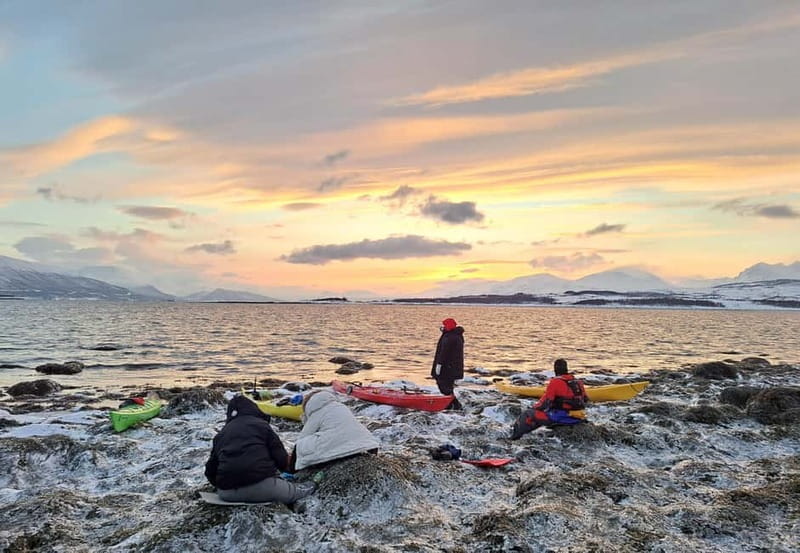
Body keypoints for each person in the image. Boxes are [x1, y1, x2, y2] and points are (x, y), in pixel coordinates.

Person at [205, 395, 315, 503]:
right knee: (299, 490)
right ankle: (310, 487)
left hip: (227, 494)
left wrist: (221, 485)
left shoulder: (221, 434)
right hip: (263, 488)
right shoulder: (261, 426)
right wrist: (288, 471)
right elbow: (280, 458)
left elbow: (210, 470)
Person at [292, 390, 379, 471]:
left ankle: (290, 473)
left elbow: (303, 438)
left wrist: (294, 465)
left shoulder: (317, 412)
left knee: (300, 445)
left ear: (308, 405)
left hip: (338, 445)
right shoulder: (341, 406)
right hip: (368, 443)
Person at [510, 358, 588, 440]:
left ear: (555, 369)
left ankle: (514, 438)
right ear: (566, 368)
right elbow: (585, 399)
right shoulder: (578, 382)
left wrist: (533, 408)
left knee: (528, 414)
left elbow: (545, 403)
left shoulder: (555, 382)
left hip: (563, 418)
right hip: (579, 417)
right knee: (545, 413)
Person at [431, 317, 465, 410]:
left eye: (444, 325)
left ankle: (454, 404)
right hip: (452, 367)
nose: (443, 327)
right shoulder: (456, 335)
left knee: (443, 385)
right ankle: (451, 404)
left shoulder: (450, 337)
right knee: (448, 386)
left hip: (447, 367)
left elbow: (444, 352)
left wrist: (439, 364)